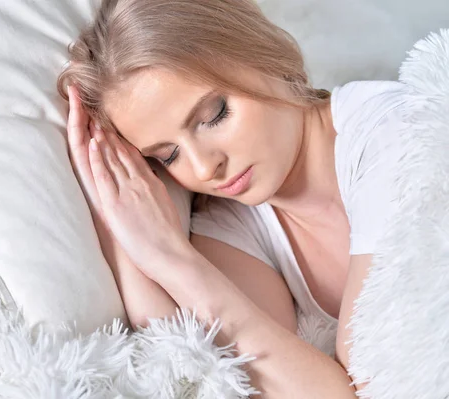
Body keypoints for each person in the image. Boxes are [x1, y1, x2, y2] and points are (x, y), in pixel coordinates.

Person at [57, 0, 407, 397]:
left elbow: (377, 371)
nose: (204, 168)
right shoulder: (231, 225)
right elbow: (196, 370)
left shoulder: (391, 128)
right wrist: (139, 244)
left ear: (260, 52)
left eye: (214, 114)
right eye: (167, 155)